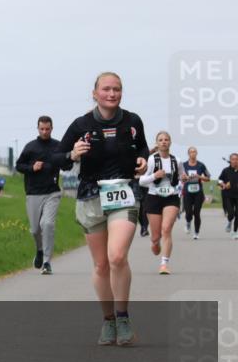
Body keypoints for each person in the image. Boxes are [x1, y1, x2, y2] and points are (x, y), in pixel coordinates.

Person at [55, 72, 148, 346]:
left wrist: (142, 160)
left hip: (123, 193)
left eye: (117, 89)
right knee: (101, 264)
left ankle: (123, 317)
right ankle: (108, 321)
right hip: (90, 196)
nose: (112, 94)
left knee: (117, 256)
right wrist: (72, 154)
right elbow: (57, 158)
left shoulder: (132, 121)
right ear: (94, 93)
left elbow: (141, 146)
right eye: (106, 89)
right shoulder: (80, 125)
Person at [15, 116, 73, 274]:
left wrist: (70, 159)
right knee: (35, 229)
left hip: (52, 192)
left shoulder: (58, 146)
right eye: (42, 129)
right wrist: (32, 167)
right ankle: (39, 250)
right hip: (33, 193)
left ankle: (47, 261)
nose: (45, 131)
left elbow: (67, 165)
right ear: (38, 128)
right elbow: (19, 166)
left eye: (47, 129)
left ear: (52, 128)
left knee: (47, 224)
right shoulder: (30, 147)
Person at [138, 132, 181, 275]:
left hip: (171, 197)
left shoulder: (177, 161)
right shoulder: (151, 160)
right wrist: (155, 176)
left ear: (170, 142)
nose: (164, 142)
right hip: (154, 197)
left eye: (166, 139)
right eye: (161, 140)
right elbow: (141, 181)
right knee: (156, 236)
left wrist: (184, 178)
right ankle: (155, 243)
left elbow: (182, 177)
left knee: (166, 229)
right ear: (157, 143)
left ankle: (164, 264)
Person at [181, 147, 211, 239]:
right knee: (188, 212)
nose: (193, 153)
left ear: (196, 153)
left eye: (194, 152)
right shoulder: (184, 165)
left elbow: (208, 178)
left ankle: (196, 233)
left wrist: (199, 176)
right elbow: (181, 178)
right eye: (191, 152)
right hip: (187, 192)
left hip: (198, 192)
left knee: (197, 213)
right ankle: (188, 222)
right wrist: (185, 178)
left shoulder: (201, 165)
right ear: (188, 154)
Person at [219, 153, 238, 239]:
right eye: (233, 159)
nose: (235, 161)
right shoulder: (225, 170)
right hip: (228, 195)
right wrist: (223, 184)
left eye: (236, 159)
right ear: (230, 160)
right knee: (231, 214)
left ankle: (235, 232)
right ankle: (230, 221)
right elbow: (219, 180)